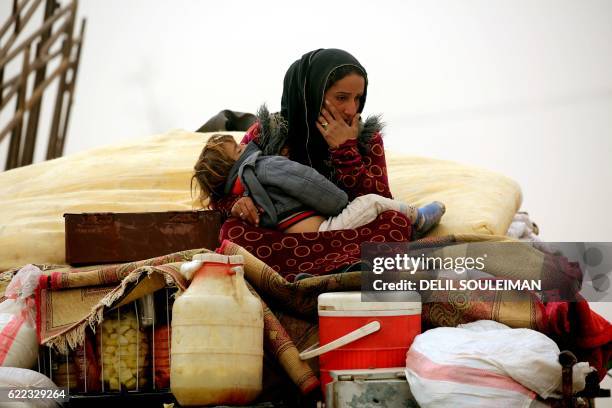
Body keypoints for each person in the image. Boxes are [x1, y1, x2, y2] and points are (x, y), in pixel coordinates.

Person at [211, 48, 419, 278]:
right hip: (284, 238)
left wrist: (345, 150)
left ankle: (330, 272)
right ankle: (339, 272)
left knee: (395, 222)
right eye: (341, 98)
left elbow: (378, 198)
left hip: (345, 232)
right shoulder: (267, 133)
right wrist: (238, 203)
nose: (352, 109)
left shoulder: (366, 139)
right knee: (233, 232)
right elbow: (220, 189)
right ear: (312, 93)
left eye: (358, 98)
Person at [193, 134, 445, 234]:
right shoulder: (264, 164)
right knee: (371, 203)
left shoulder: (245, 187)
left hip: (297, 237)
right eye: (238, 149)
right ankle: (418, 219)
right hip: (324, 229)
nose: (246, 145)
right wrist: (340, 203)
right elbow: (306, 182)